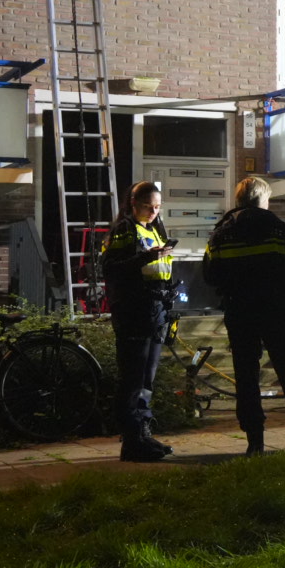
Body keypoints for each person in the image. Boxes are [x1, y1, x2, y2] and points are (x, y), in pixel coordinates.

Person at [203, 176, 285, 456]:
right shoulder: (277, 227)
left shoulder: (222, 232)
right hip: (275, 311)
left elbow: (210, 275)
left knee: (246, 377)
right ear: (262, 198)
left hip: (240, 313)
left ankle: (255, 443)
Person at [102, 180, 175, 461]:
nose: (154, 212)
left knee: (147, 379)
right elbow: (110, 268)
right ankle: (131, 441)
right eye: (149, 207)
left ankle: (143, 434)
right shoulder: (125, 229)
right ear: (134, 205)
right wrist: (146, 257)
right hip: (134, 312)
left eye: (158, 207)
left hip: (155, 310)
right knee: (132, 379)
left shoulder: (154, 230)